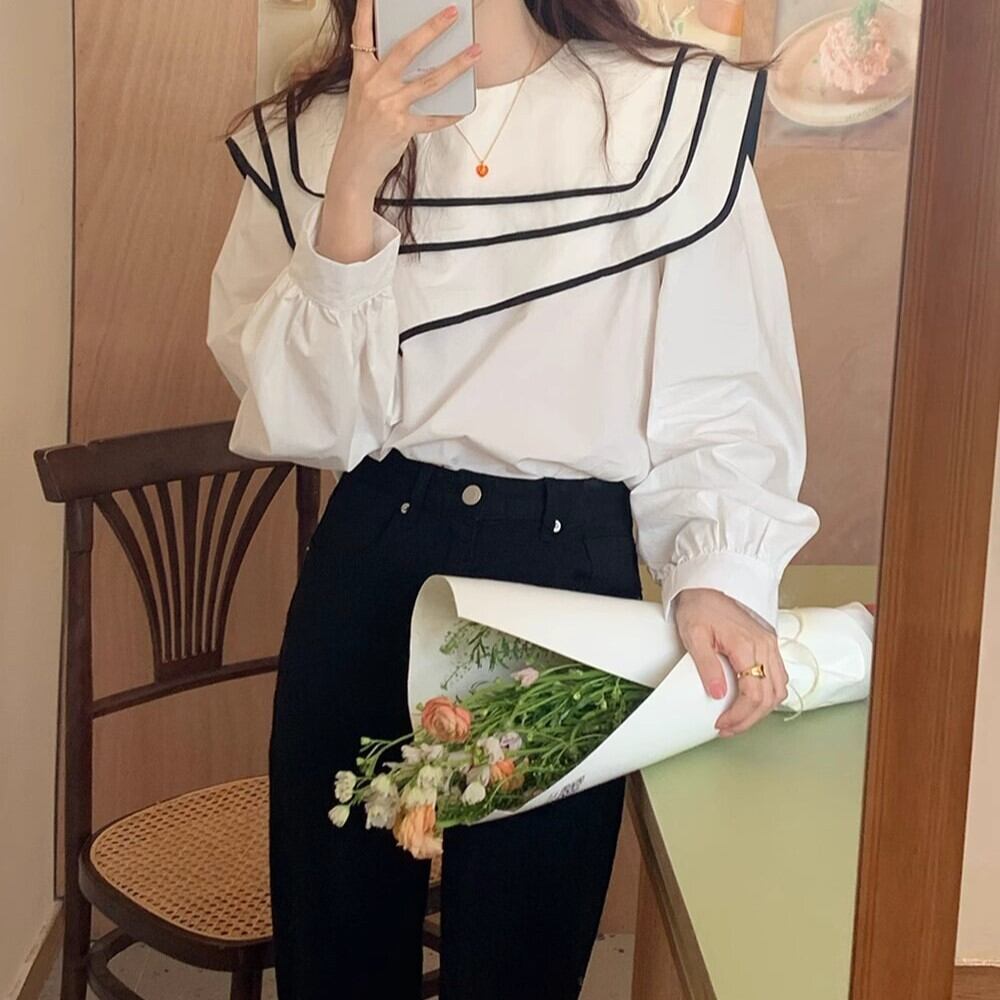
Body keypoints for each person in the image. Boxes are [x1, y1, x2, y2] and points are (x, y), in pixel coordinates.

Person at [206, 0, 821, 996]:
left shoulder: (665, 114)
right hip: (374, 562)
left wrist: (715, 568)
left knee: (521, 957)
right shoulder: (308, 137)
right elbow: (300, 420)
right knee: (337, 946)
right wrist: (354, 177)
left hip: (560, 579)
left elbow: (721, 391)